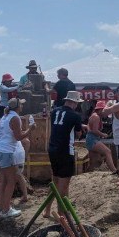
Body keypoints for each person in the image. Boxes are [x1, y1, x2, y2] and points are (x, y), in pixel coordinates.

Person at [0, 98, 35, 218]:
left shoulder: (5, 116)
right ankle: (6, 210)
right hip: (6, 152)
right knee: (11, 181)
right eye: (21, 104)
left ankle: (1, 208)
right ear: (17, 107)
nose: (22, 106)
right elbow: (18, 137)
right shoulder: (15, 118)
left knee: (3, 181)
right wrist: (30, 129)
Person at [43, 90, 83, 218]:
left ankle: (47, 210)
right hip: (65, 151)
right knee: (64, 185)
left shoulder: (55, 111)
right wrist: (80, 128)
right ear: (74, 103)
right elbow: (78, 134)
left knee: (55, 181)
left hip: (53, 148)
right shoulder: (75, 116)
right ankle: (61, 214)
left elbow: (62, 125)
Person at [86, 100, 118, 173]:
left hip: (91, 139)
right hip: (93, 140)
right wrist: (103, 135)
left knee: (95, 162)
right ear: (101, 109)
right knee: (107, 151)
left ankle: (87, 173)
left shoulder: (94, 115)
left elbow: (89, 127)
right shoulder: (97, 117)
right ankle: (114, 170)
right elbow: (95, 130)